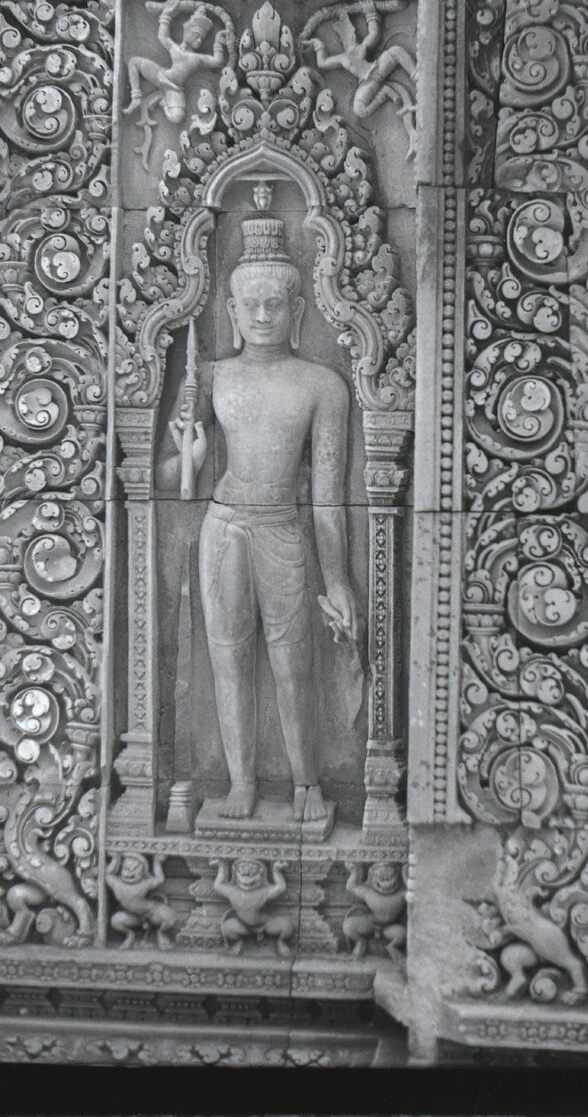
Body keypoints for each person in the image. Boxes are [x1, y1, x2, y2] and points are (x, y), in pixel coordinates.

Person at [171, 183, 358, 824]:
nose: (259, 316)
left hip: (283, 527)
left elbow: (330, 497)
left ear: (297, 307)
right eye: (247, 304)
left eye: (273, 304)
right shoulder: (213, 377)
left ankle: (307, 784)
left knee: (291, 661)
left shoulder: (321, 385)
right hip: (225, 523)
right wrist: (190, 459)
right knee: (227, 657)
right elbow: (172, 472)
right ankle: (241, 783)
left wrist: (339, 583)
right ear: (228, 306)